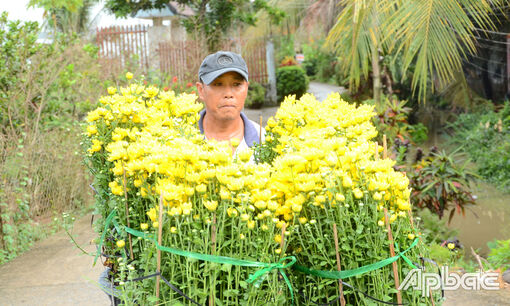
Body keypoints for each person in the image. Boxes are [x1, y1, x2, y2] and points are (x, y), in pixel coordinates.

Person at [196, 51, 264, 156]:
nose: (228, 94)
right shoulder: (179, 141)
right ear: (201, 90)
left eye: (237, 84)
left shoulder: (264, 141)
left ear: (246, 89)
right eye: (218, 84)